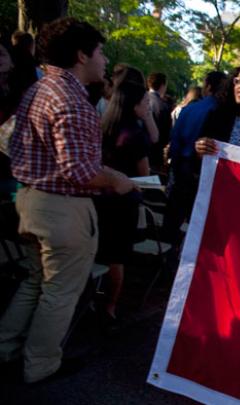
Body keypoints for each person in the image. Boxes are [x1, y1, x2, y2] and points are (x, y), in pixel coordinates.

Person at [0, 17, 134, 384]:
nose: (104, 61)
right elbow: (81, 172)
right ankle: (40, 365)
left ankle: (6, 348)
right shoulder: (71, 100)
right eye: (100, 53)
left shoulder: (39, 89)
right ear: (81, 55)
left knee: (34, 282)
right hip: (62, 210)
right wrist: (117, 180)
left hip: (30, 200)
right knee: (59, 292)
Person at [94, 78, 151, 324]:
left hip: (97, 197)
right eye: (146, 101)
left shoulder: (101, 125)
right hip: (122, 202)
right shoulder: (135, 134)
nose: (149, 106)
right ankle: (110, 307)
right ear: (134, 105)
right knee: (117, 257)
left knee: (98, 251)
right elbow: (144, 174)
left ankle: (93, 298)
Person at [161, 71, 226, 246]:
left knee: (172, 222)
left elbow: (174, 142)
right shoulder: (221, 113)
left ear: (208, 87)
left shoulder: (189, 109)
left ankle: (164, 258)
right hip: (200, 175)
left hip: (180, 170)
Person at [147, 72, 171, 167]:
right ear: (163, 85)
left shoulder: (138, 99)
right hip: (155, 152)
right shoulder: (163, 106)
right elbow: (166, 133)